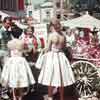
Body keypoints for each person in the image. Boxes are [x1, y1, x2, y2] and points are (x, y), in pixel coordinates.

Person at [36, 18, 75, 100]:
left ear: (52, 26)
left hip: (52, 57)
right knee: (61, 79)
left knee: (51, 78)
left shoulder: (51, 35)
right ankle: (61, 98)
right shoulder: (63, 36)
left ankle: (50, 97)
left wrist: (41, 50)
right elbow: (64, 47)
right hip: (61, 56)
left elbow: (47, 48)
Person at [1, 26, 35, 100]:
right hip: (21, 62)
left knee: (13, 79)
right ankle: (20, 98)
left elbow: (9, 52)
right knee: (21, 80)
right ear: (19, 34)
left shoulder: (10, 43)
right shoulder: (22, 42)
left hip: (12, 61)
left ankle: (14, 97)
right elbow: (27, 51)